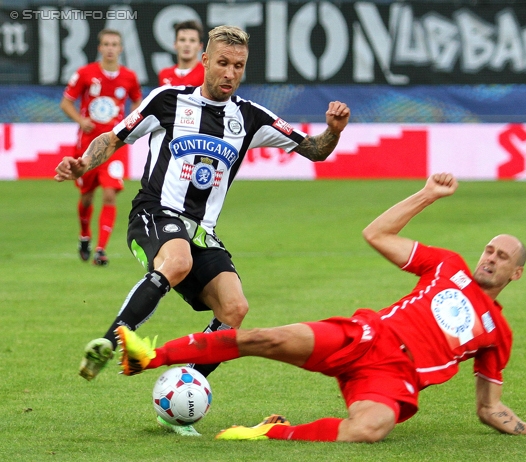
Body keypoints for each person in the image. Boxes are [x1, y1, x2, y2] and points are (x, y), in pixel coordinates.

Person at [116, 172, 526, 442]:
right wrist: (426, 195)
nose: (489, 258)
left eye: (502, 257)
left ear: (516, 274)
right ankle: (149, 356)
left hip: (395, 379)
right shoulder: (448, 266)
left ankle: (267, 433)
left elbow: (491, 408)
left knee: (369, 431)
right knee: (266, 338)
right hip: (367, 334)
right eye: (489, 249)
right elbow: (377, 234)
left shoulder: (497, 334)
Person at [54, 25, 350, 435]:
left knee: (234, 309)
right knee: (177, 258)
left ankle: (182, 391)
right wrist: (83, 162)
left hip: (202, 231)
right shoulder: (168, 100)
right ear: (205, 61)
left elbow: (313, 149)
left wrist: (333, 131)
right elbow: (114, 137)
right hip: (155, 213)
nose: (230, 73)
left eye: (239, 66)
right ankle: (111, 342)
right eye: (223, 63)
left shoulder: (250, 117)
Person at [60, 29, 142, 266]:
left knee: (109, 193)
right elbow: (66, 102)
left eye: (114, 44)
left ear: (120, 49)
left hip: (115, 144)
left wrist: (129, 119)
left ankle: (101, 249)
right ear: (99, 47)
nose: (110, 48)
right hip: (87, 146)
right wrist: (80, 120)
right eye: (106, 43)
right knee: (86, 197)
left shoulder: (129, 77)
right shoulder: (85, 74)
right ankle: (84, 235)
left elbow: (138, 100)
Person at [158, 20, 205, 87]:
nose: (187, 44)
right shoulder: (164, 74)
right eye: (182, 40)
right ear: (175, 44)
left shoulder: (207, 74)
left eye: (192, 40)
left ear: (200, 46)